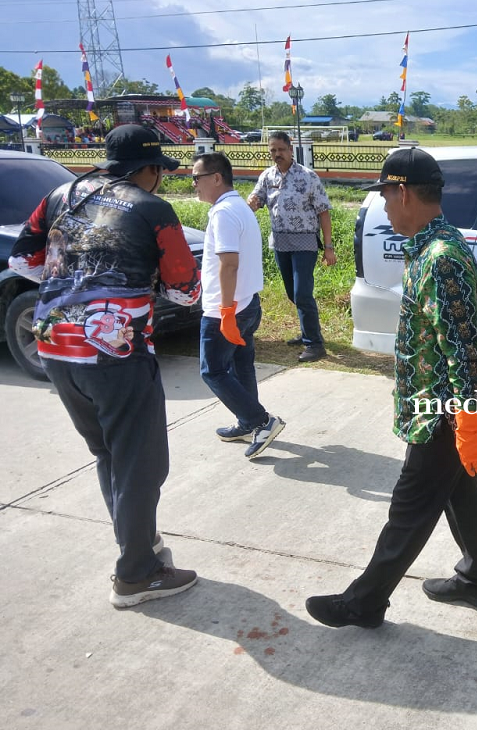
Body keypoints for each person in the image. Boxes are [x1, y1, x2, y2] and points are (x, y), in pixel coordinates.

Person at [7, 124, 201, 607]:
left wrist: (70, 283)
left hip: (53, 345)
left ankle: (142, 545)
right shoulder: (153, 209)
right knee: (142, 463)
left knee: (109, 454)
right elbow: (185, 290)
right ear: (149, 170)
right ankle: (135, 574)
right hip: (116, 352)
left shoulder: (60, 193)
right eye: (161, 170)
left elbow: (23, 262)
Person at [305, 148, 477, 629]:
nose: (385, 207)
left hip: (445, 411)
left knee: (409, 508)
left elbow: (465, 347)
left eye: (386, 195)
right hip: (446, 406)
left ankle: (364, 602)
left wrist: (467, 423)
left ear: (404, 192)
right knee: (459, 492)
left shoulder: (441, 258)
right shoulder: (436, 246)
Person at [192, 152, 285, 459]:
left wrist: (226, 311)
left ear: (216, 177)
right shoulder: (239, 207)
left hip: (228, 308)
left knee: (213, 371)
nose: (194, 185)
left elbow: (229, 264)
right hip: (247, 303)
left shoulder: (223, 213)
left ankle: (262, 421)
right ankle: (248, 422)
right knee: (241, 365)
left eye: (197, 178)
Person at [247, 131, 336, 363]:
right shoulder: (267, 177)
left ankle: (315, 345)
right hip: (280, 243)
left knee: (302, 292)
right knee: (291, 292)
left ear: (291, 148)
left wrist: (329, 247)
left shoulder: (308, 177)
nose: (277, 154)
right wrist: (248, 206)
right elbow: (255, 201)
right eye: (273, 151)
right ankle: (308, 330)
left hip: (305, 242)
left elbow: (323, 212)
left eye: (281, 150)